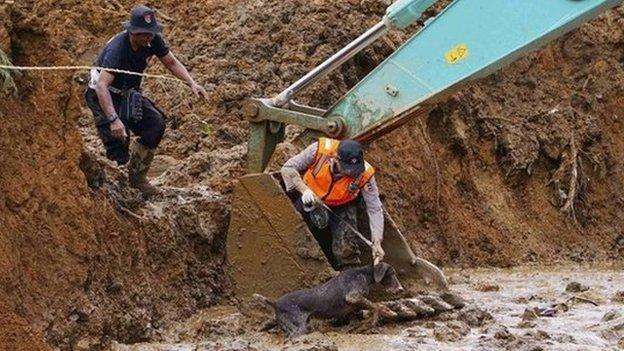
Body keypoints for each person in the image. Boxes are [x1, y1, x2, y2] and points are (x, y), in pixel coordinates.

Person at [84, 5, 208, 195]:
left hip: (129, 92)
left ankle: (137, 179)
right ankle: (121, 190)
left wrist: (191, 83)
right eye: (145, 34)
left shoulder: (153, 40)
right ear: (133, 32)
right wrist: (113, 119)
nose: (149, 38)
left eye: (151, 33)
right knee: (118, 141)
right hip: (104, 94)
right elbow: (101, 86)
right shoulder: (117, 49)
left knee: (155, 124)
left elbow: (171, 62)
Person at [281, 137, 385, 269]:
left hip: (342, 204)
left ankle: (348, 275)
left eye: (355, 170)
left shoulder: (365, 174)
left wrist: (377, 241)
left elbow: (374, 208)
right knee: (292, 232)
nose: (351, 174)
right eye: (348, 170)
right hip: (310, 198)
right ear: (336, 159)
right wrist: (304, 190)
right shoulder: (319, 150)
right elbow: (288, 168)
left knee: (346, 248)